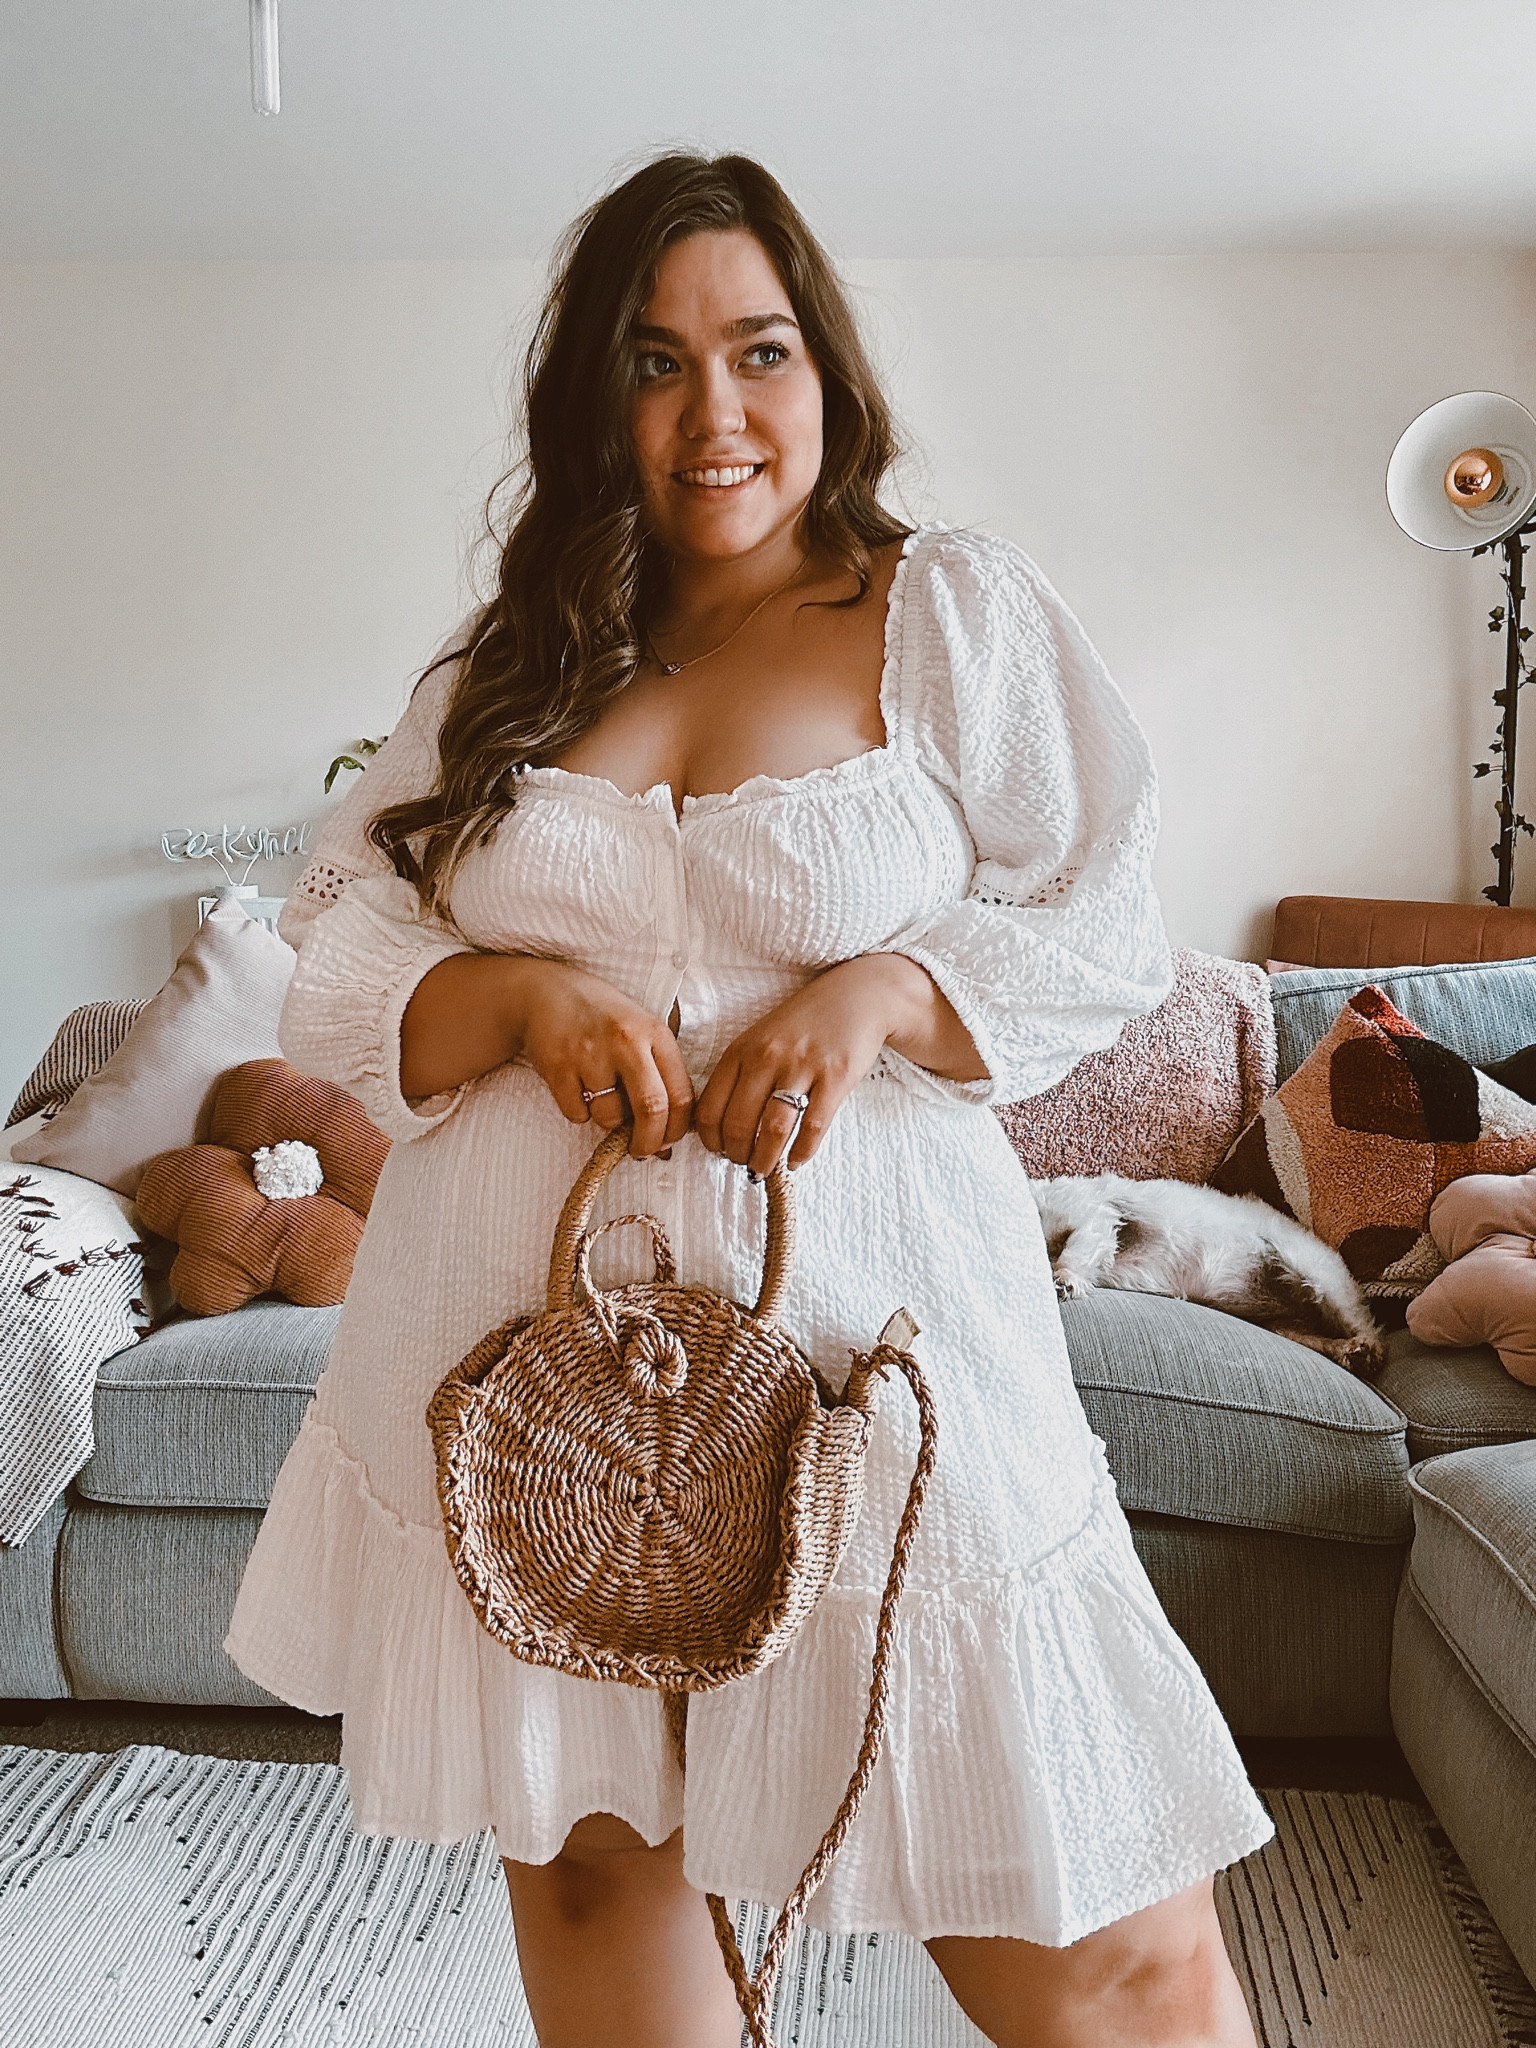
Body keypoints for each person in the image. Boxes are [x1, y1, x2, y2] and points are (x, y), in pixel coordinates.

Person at [226, 151, 1272, 2047]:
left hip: (890, 1363)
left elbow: (1105, 906)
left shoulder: (943, 611)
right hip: (525, 1363)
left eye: (760, 349)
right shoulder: (511, 669)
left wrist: (886, 987)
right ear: (593, 405)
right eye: (654, 361)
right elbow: (340, 935)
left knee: (1094, 1911)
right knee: (601, 1855)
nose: (715, 411)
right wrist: (514, 990)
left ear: (828, 375)